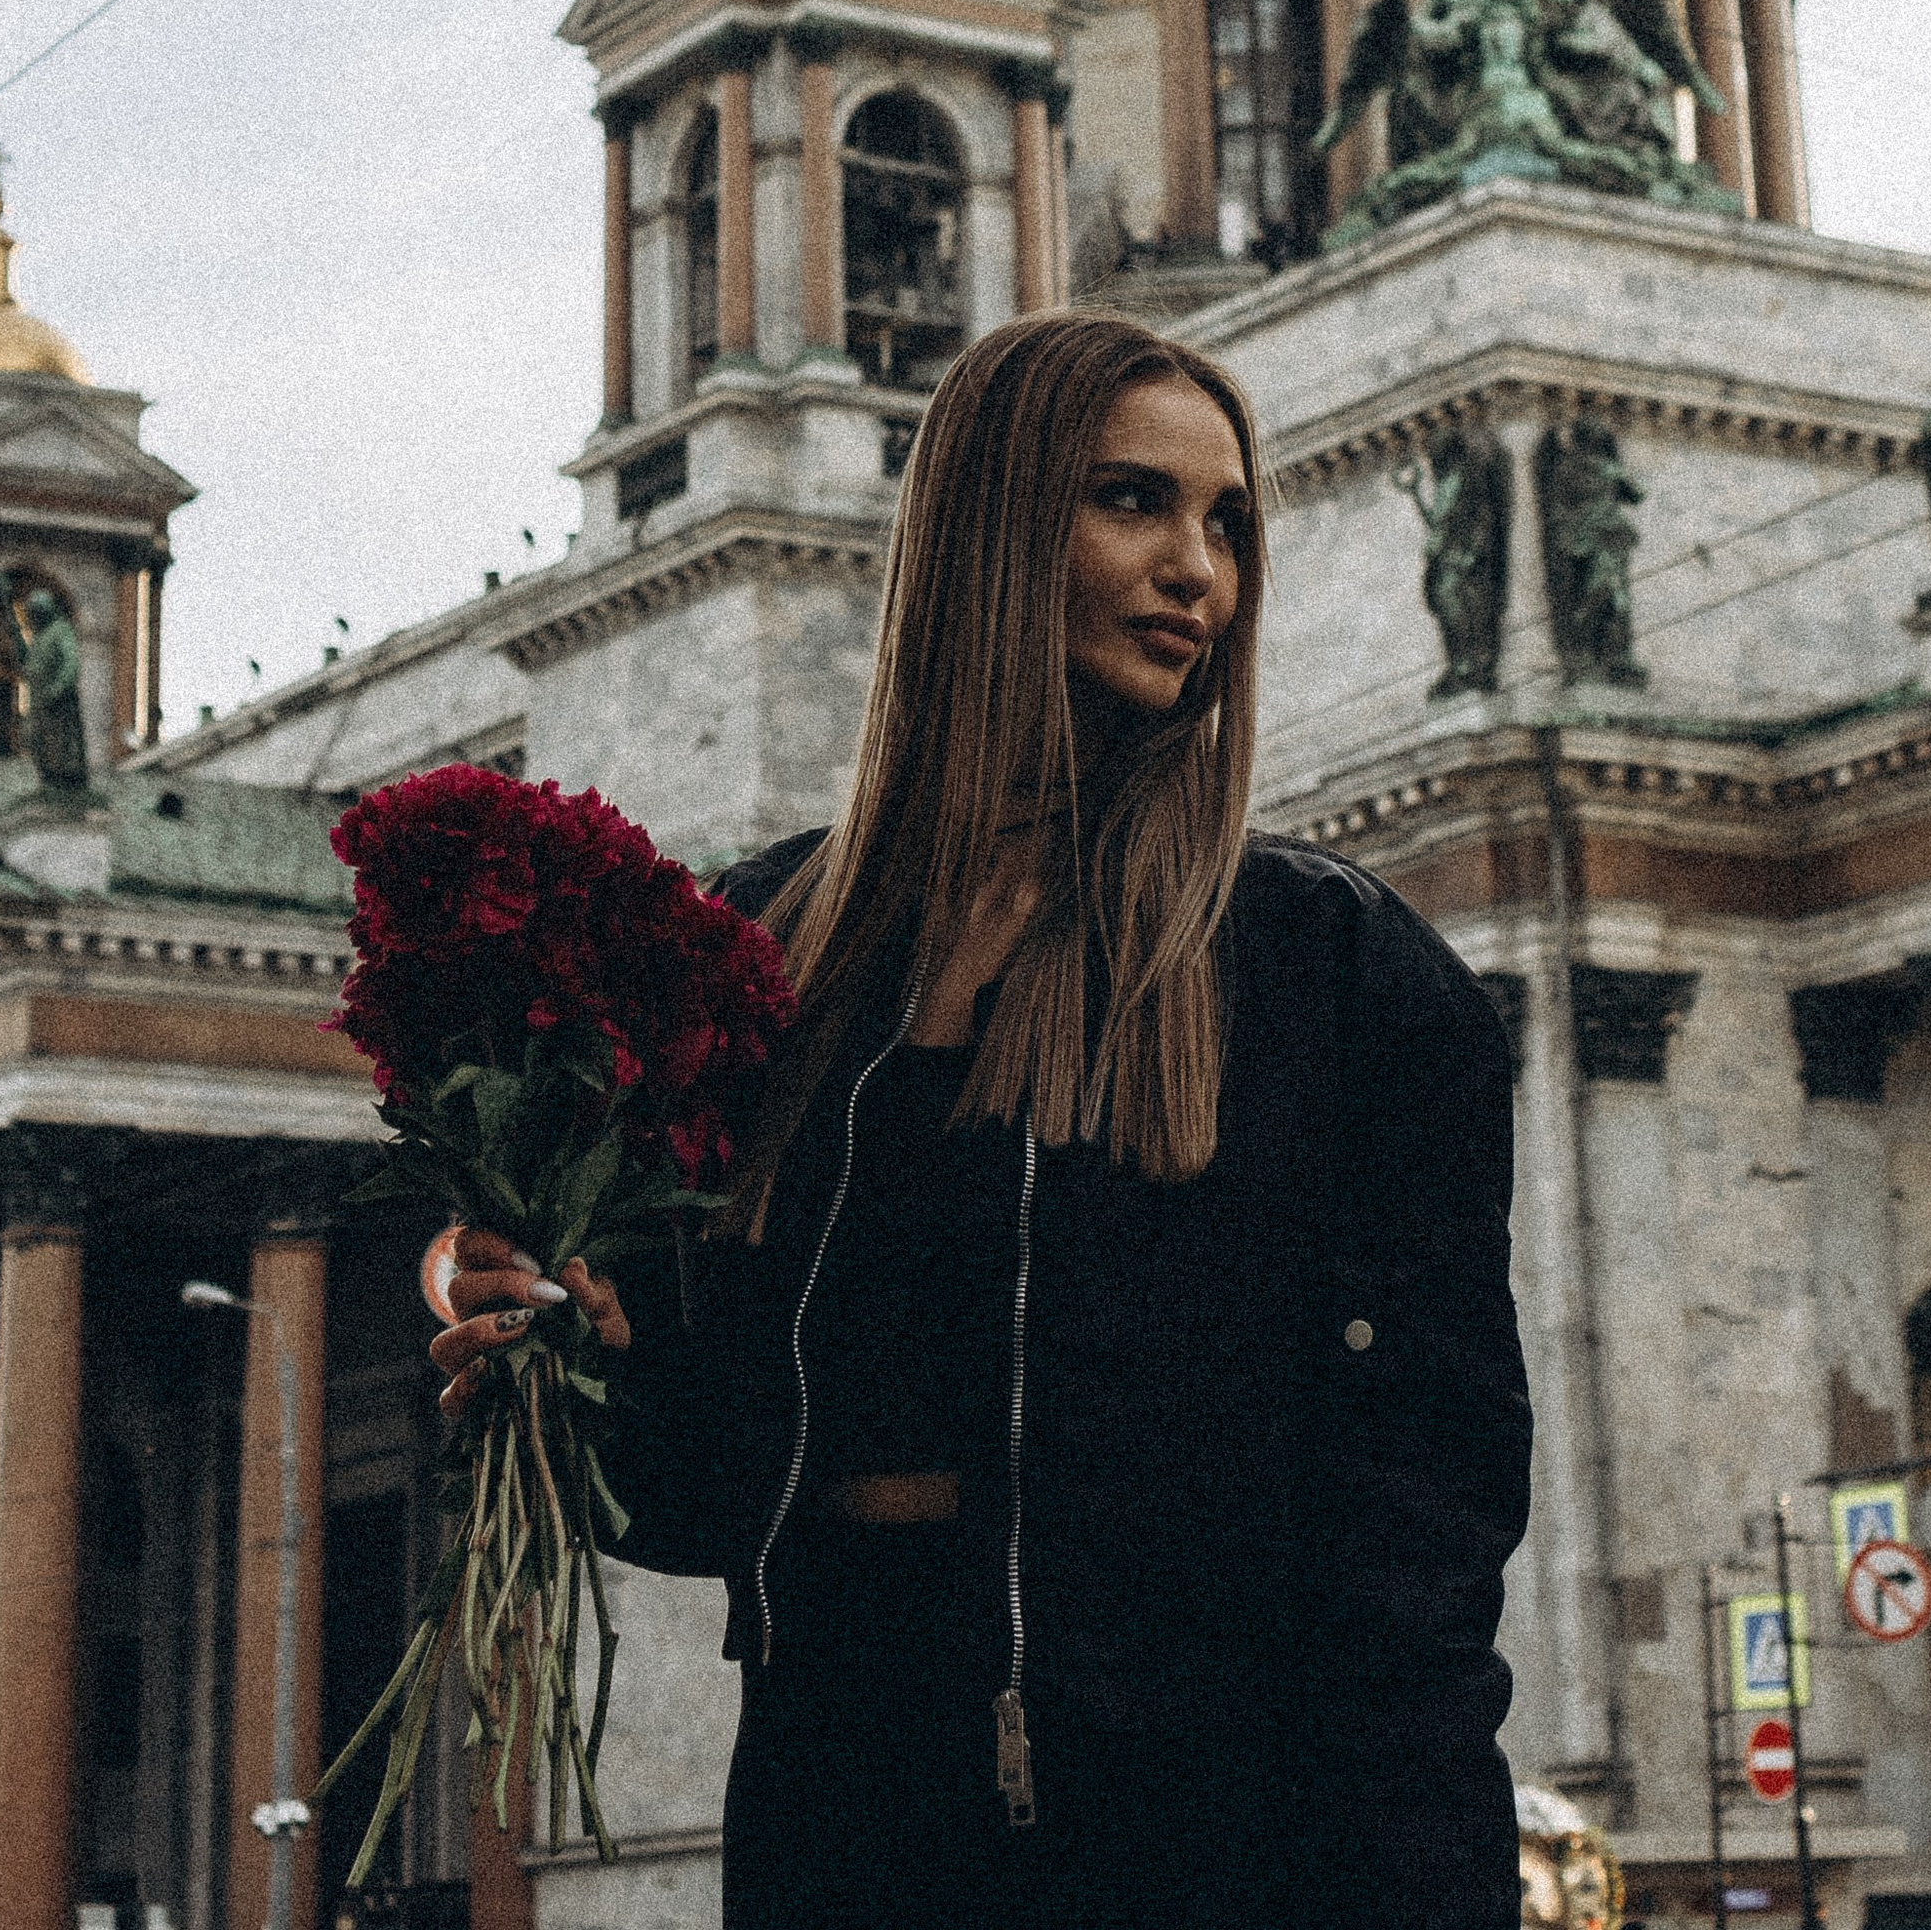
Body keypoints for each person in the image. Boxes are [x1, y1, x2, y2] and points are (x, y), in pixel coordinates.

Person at [431, 313, 1531, 1928]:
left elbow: (1421, 1539)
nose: (1198, 572)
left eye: (1227, 522)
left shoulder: (1332, 970)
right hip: (837, 1812)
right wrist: (555, 1355)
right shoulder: (764, 954)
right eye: (1135, 502)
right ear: (990, 529)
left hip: (1211, 1842)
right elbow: (695, 1493)